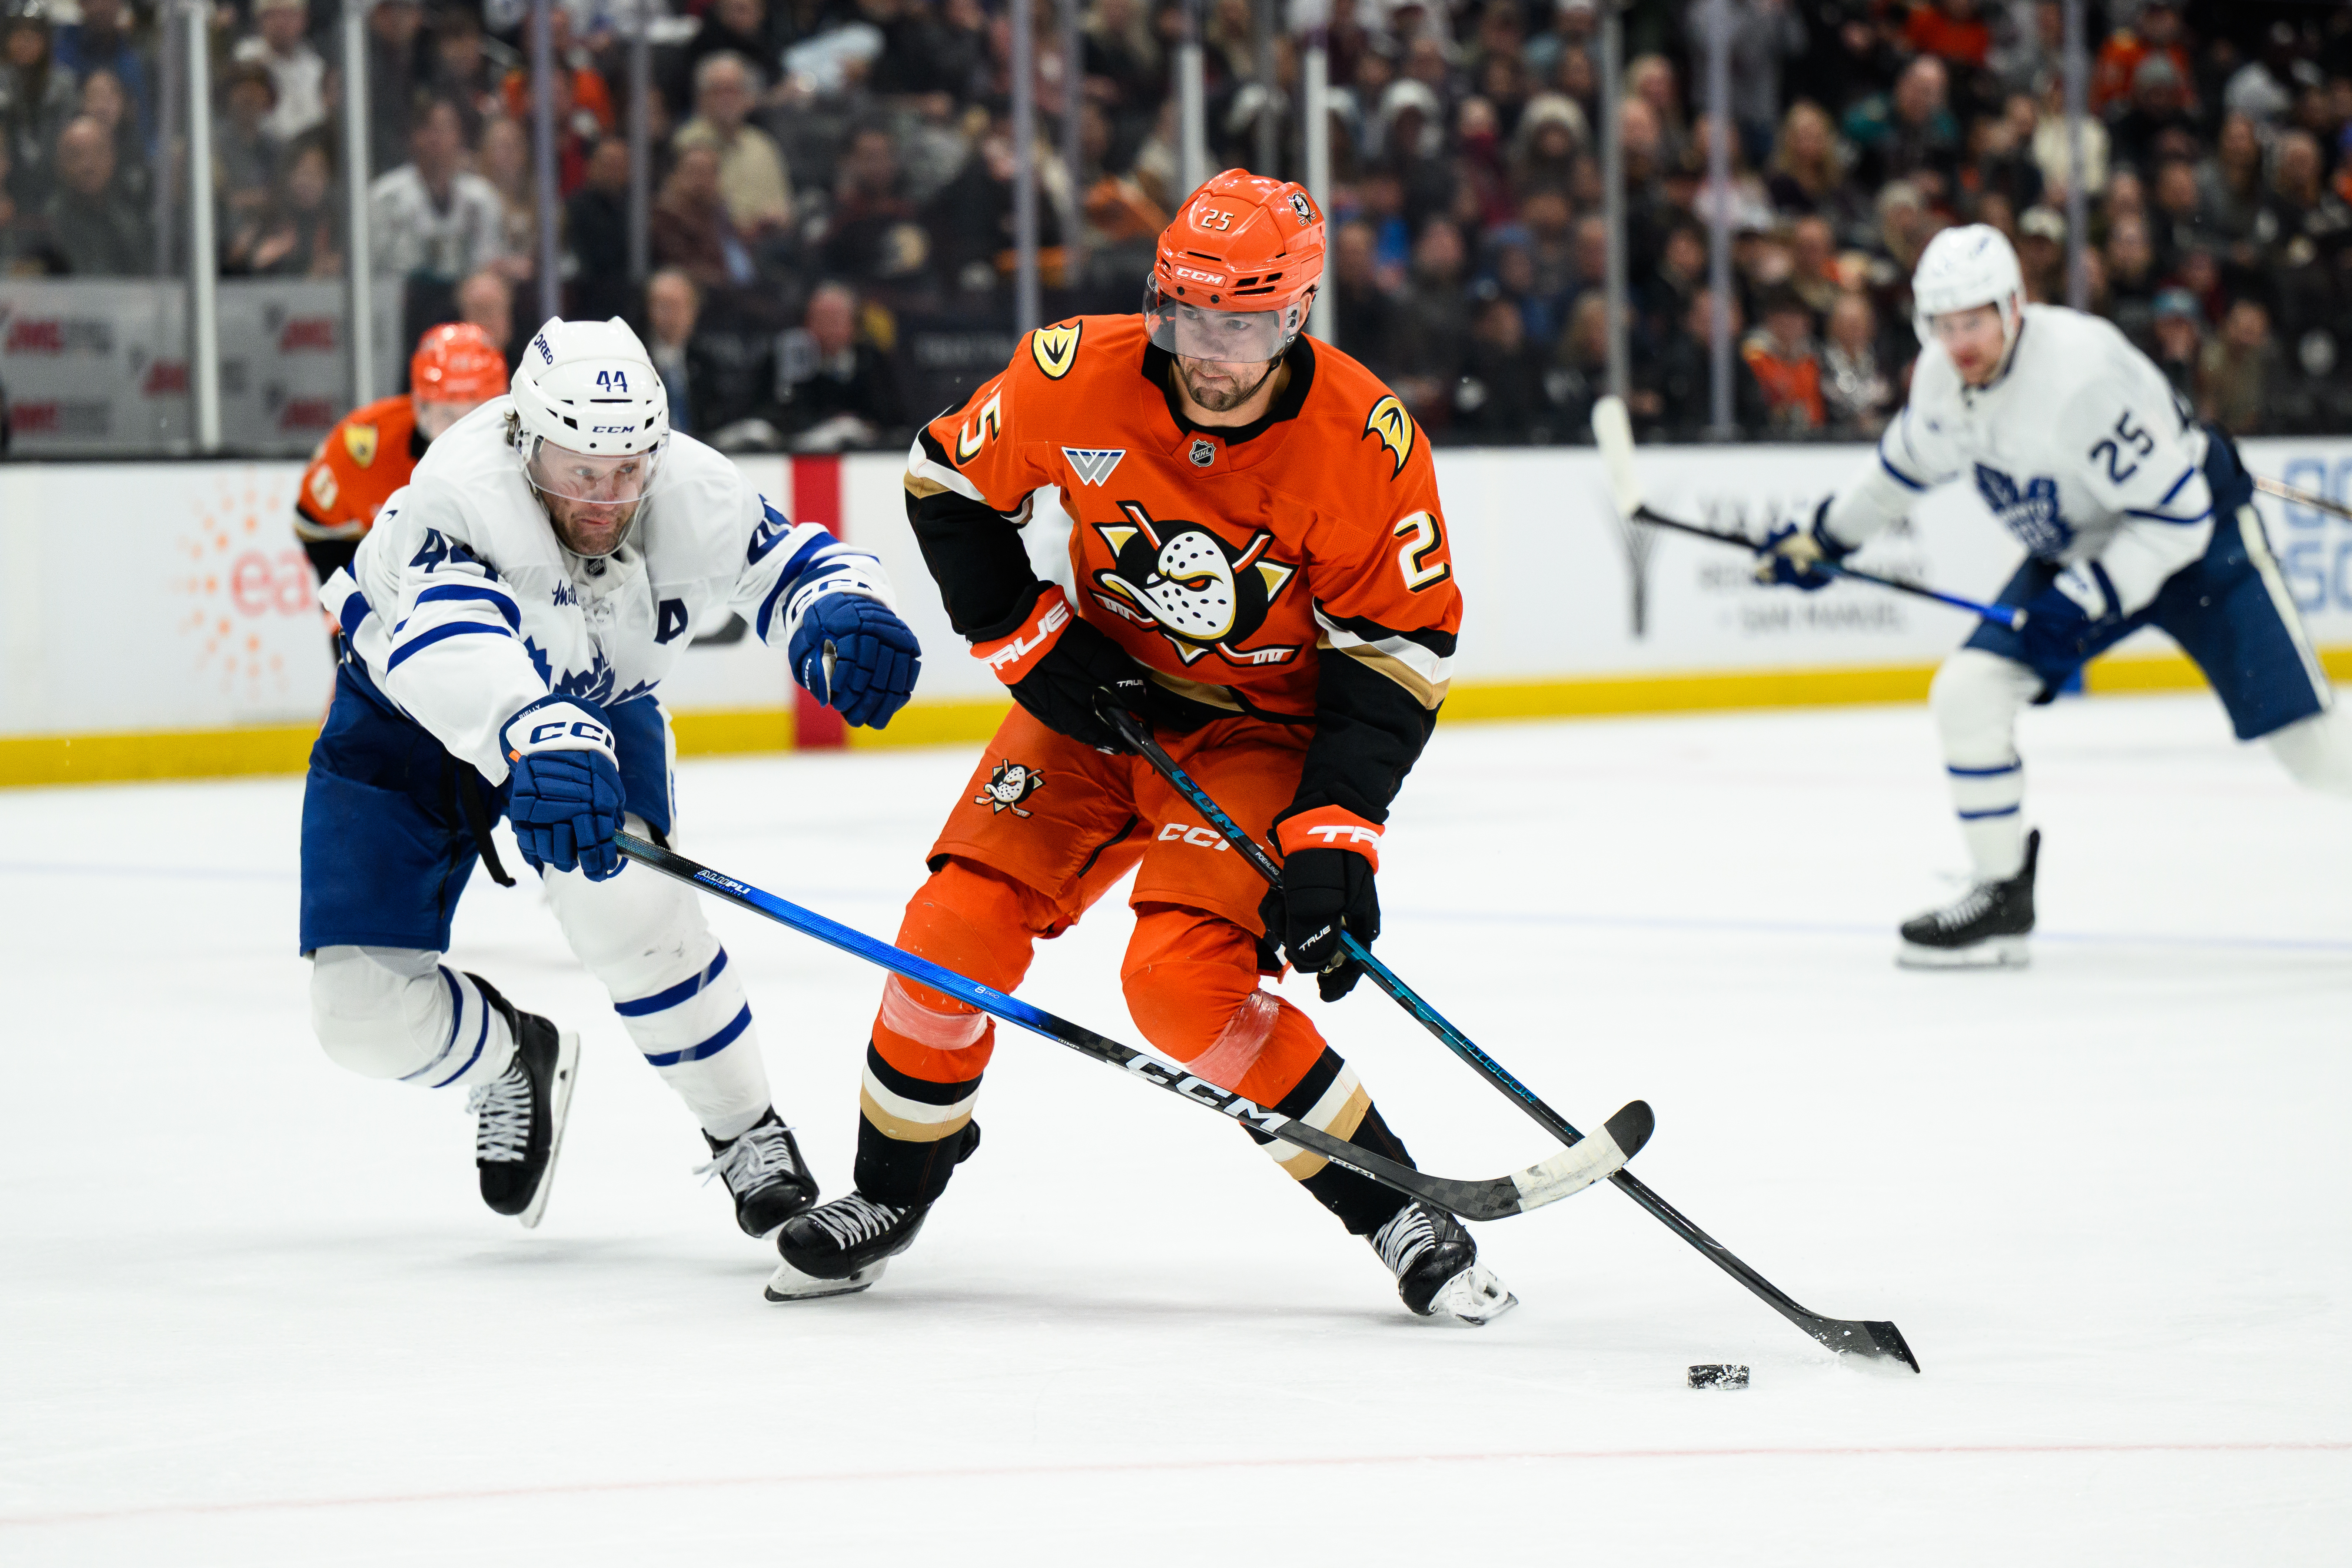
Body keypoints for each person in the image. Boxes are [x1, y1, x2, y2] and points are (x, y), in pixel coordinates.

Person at [765, 171, 1511, 1327]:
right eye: (1185, 317)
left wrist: (1333, 843)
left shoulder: (1365, 444)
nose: (1208, 353)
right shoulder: (1076, 372)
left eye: (1243, 324)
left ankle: (1394, 1202)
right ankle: (890, 1188)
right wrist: (1029, 642)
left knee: (1180, 986)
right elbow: (946, 479)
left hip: (1258, 731)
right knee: (949, 931)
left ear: (1296, 315)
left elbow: (1397, 657)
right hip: (1094, 703)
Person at [300, 315, 922, 1236]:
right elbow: (453, 639)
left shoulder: (686, 483)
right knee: (357, 1012)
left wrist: (839, 608)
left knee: (628, 912)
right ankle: (510, 1059)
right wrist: (532, 729)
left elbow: (781, 562)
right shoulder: (459, 489)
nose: (603, 497)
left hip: (592, 702)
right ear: (522, 437)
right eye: (577, 471)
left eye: (626, 470)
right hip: (406, 715)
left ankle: (746, 1130)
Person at [1755, 226, 2352, 968]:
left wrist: (2080, 600)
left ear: (2014, 307)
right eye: (1945, 325)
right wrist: (1825, 540)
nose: (1961, 341)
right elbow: (1898, 472)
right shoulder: (1941, 382)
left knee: (2316, 754)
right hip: (2081, 546)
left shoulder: (2079, 378)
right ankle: (2002, 895)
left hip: (2200, 551)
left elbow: (2179, 519)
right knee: (1968, 692)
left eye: (1974, 321)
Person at [295, 323, 509, 584]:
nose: (461, 432)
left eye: (477, 413)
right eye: (448, 414)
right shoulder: (364, 450)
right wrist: (355, 604)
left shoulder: (535, 458)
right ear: (421, 407)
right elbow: (316, 524)